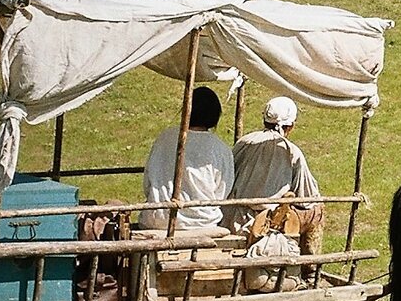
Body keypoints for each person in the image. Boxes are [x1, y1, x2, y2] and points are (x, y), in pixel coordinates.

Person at [231, 96, 324, 258]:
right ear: (291, 126)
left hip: (233, 216)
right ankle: (310, 269)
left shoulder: (244, 142)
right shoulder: (290, 151)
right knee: (317, 209)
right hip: (267, 221)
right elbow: (308, 197)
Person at [139, 86, 234, 230]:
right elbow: (222, 192)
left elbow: (148, 181)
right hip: (202, 222)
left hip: (158, 219)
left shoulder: (165, 138)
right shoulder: (220, 148)